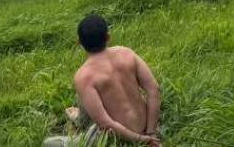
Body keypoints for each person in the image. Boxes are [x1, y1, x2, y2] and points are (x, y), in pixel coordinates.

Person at [46, 15, 162, 146]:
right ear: (108, 37)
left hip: (118, 138)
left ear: (79, 42)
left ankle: (79, 120)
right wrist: (151, 132)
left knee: (49, 143)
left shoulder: (83, 76)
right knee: (86, 96)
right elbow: (154, 90)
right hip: (146, 125)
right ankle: (78, 118)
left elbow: (106, 124)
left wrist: (140, 139)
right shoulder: (127, 53)